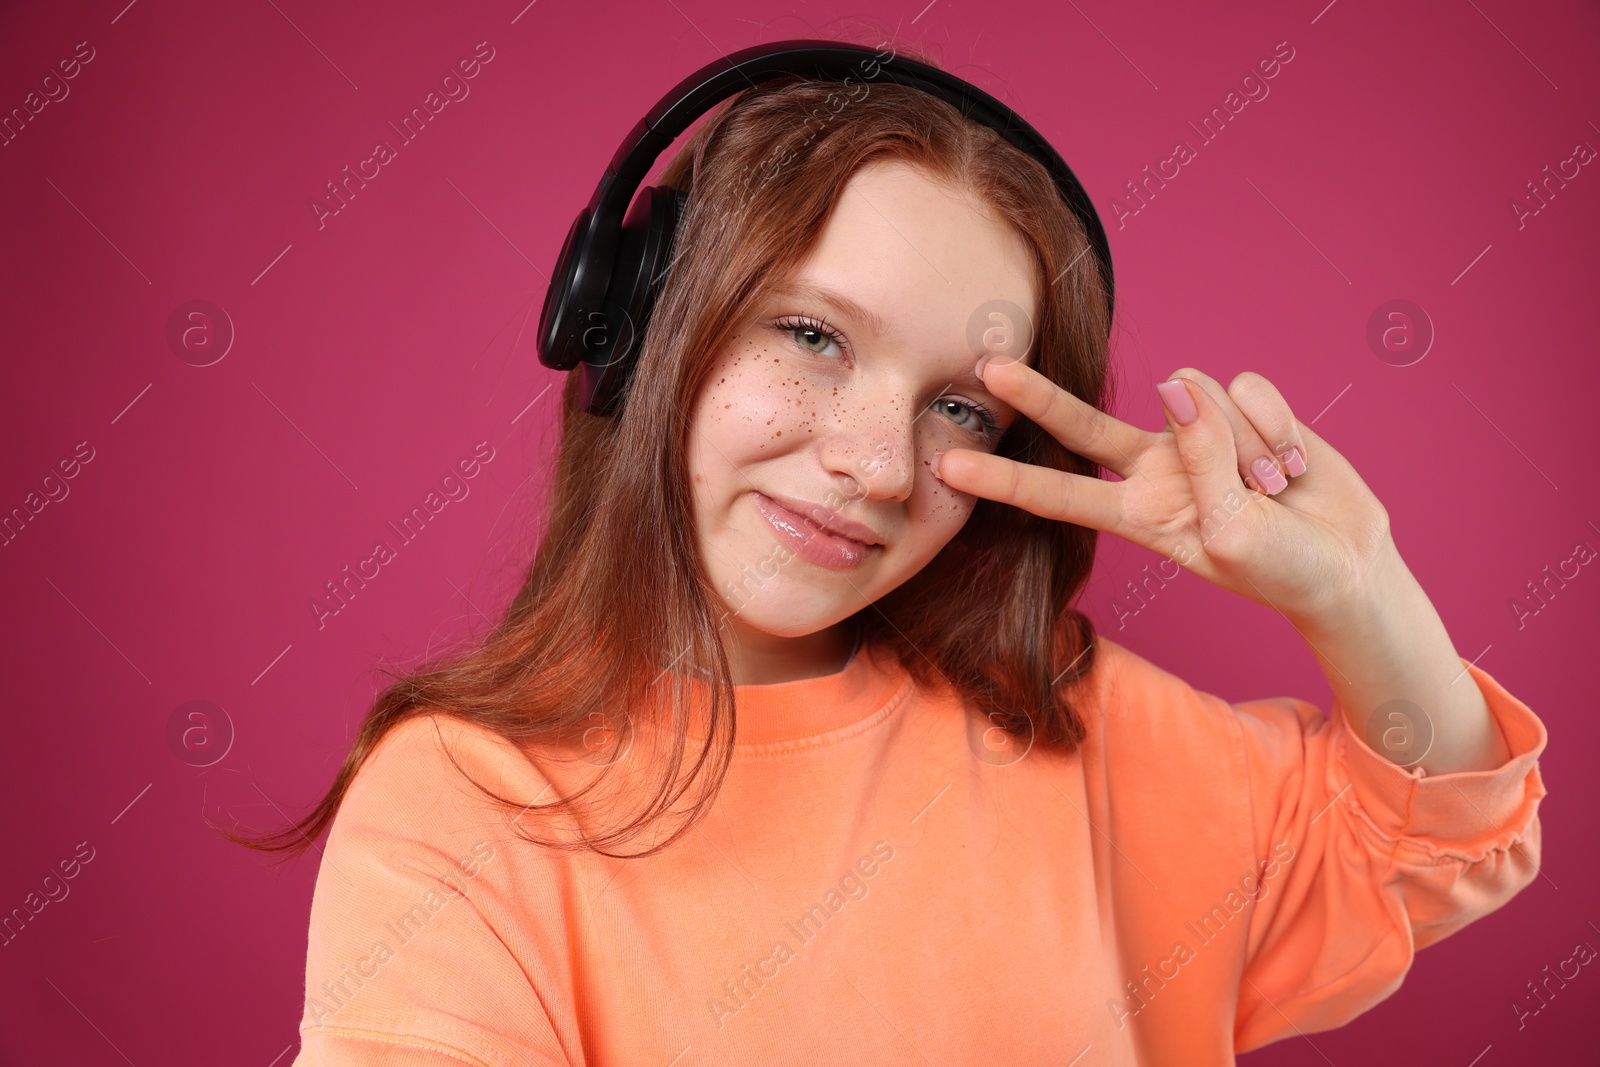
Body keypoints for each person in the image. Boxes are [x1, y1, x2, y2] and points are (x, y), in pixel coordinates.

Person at [245, 40, 1548, 1067]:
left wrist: (1355, 583)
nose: (875, 466)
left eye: (959, 407)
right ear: (634, 324)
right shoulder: (462, 807)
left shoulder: (1086, 734)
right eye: (813, 337)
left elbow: (1433, 846)